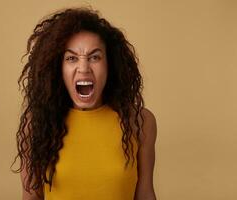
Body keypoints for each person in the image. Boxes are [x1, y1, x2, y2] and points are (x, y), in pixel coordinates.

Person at [12, 6, 157, 200]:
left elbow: (145, 194)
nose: (83, 68)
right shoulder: (37, 124)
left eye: (95, 57)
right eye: (71, 58)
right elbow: (31, 197)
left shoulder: (140, 121)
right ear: (58, 67)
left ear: (109, 64)